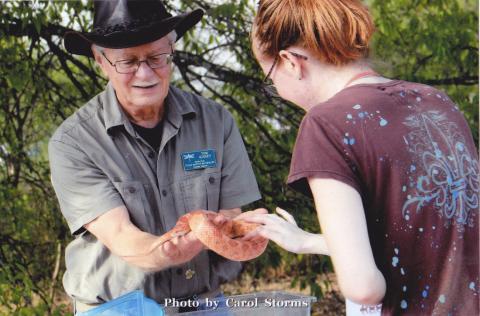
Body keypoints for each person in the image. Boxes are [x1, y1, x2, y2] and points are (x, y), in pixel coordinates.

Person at [241, 0, 479, 315]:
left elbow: (364, 287)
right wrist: (307, 241)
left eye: (271, 79)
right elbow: (430, 237)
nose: (278, 91)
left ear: (290, 61)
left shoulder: (325, 124)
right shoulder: (437, 101)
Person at [48, 0, 261, 314]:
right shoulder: (73, 142)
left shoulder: (216, 122)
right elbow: (123, 238)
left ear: (172, 50)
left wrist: (249, 230)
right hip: (117, 307)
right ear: (100, 60)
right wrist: (181, 244)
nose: (145, 73)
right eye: (128, 62)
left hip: (203, 303)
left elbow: (229, 219)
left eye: (156, 57)